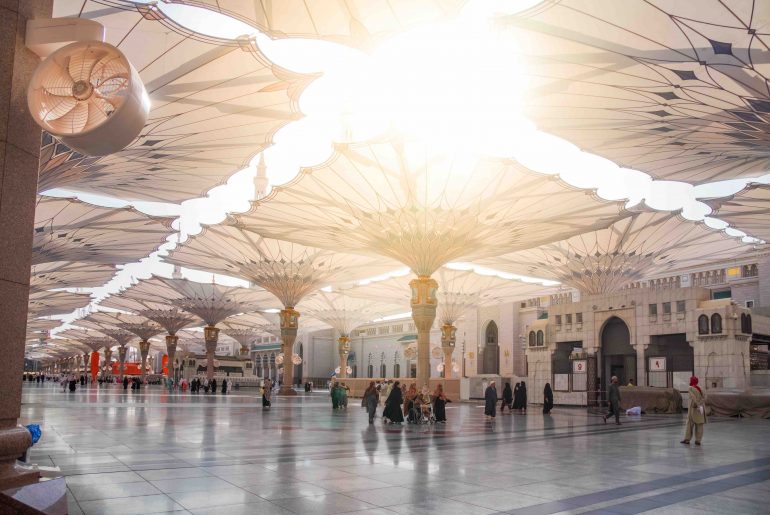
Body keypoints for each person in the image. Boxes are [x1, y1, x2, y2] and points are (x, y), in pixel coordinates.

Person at [681, 376, 707, 446]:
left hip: (693, 409)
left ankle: (687, 439)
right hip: (701, 409)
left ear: (691, 381)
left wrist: (697, 404)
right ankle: (698, 441)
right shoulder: (701, 388)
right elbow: (705, 397)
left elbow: (693, 397)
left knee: (689, 424)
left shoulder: (690, 388)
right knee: (700, 425)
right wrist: (700, 404)